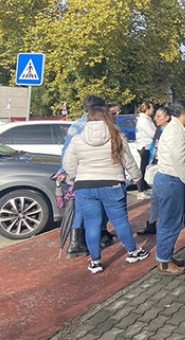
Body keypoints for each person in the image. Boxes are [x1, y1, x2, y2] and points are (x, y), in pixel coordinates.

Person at [63, 107, 149, 273]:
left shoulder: (77, 139)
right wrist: (137, 177)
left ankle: (95, 261)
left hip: (84, 187)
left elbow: (68, 164)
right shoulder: (116, 136)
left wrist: (74, 177)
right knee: (120, 221)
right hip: (112, 184)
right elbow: (128, 160)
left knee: (91, 224)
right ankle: (133, 251)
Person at [55, 94, 112, 258]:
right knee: (82, 207)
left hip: (77, 171)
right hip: (85, 172)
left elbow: (67, 150)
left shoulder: (77, 124)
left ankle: (80, 241)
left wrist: (65, 170)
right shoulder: (89, 125)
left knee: (81, 206)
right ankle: (76, 244)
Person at [153, 99, 185, 276]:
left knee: (172, 221)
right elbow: (179, 161)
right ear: (183, 113)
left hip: (174, 179)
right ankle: (164, 261)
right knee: (170, 222)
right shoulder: (174, 132)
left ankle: (166, 256)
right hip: (172, 179)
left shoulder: (178, 129)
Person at [137, 106, 172, 235]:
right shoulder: (158, 129)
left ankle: (167, 224)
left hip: (167, 169)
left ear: (167, 118)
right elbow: (154, 145)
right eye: (155, 115)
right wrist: (152, 159)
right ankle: (152, 223)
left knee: (166, 198)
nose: (155, 118)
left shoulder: (171, 131)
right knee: (155, 197)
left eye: (158, 116)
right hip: (157, 166)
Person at [136, 102, 157, 199]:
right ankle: (140, 191)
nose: (153, 110)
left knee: (146, 168)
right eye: (151, 108)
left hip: (149, 146)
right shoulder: (143, 120)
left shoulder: (147, 119)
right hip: (145, 146)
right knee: (143, 168)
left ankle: (144, 189)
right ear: (147, 109)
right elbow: (151, 133)